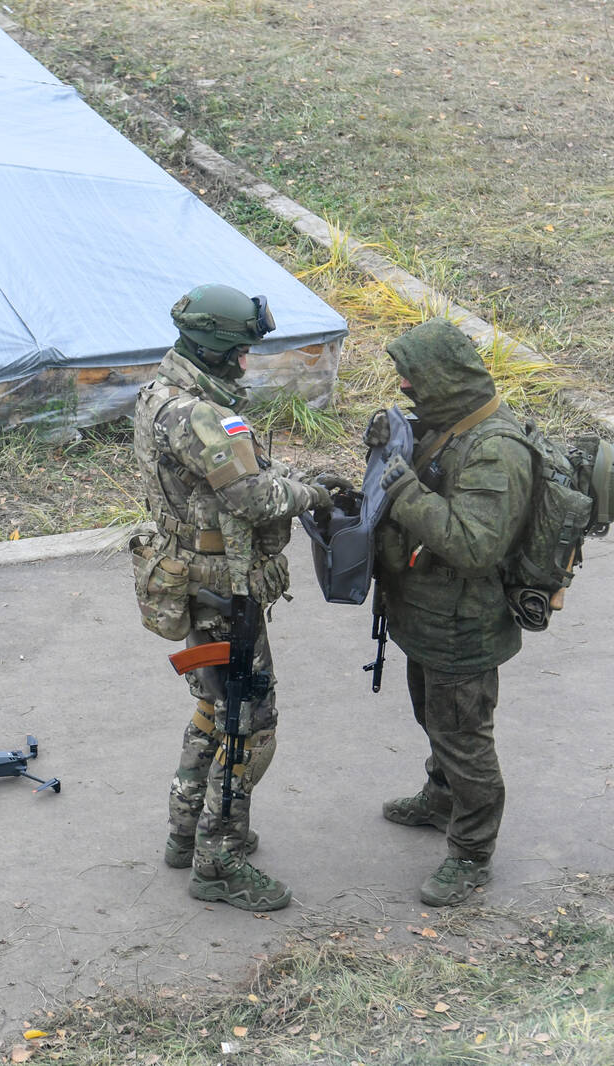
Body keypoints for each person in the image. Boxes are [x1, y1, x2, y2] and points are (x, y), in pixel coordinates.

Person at [131, 282, 338, 912]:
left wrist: (293, 478)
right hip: (223, 593)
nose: (248, 360)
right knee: (251, 724)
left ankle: (186, 828)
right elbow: (251, 498)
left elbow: (232, 476)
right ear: (219, 349)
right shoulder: (200, 414)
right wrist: (315, 494)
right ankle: (217, 862)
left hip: (190, 584)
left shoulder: (161, 392)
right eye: (243, 349)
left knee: (213, 709)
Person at [364, 317, 535, 907]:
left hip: (464, 626)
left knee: (465, 739)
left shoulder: (496, 451)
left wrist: (404, 491)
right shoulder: (453, 425)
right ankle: (440, 799)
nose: (405, 388)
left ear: (442, 379)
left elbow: (475, 545)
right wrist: (392, 441)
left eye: (412, 379)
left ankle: (471, 853)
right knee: (435, 719)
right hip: (429, 615)